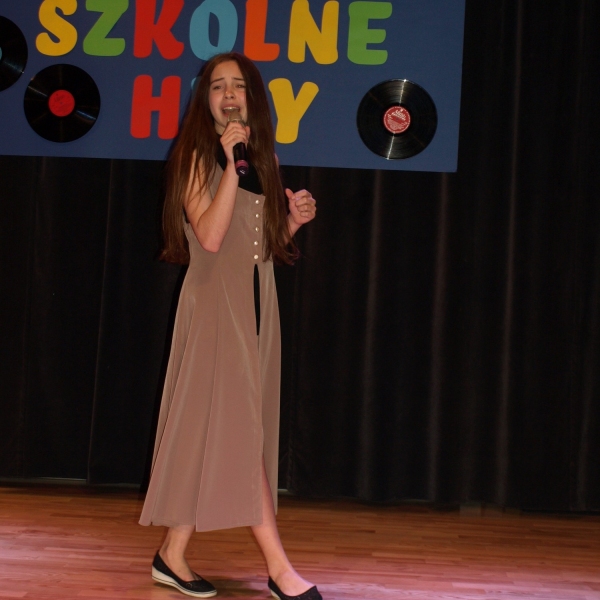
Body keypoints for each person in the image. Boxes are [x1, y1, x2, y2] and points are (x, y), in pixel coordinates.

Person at [139, 52, 319, 600]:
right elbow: (212, 238)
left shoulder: (262, 158)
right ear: (206, 100)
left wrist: (292, 222)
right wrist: (227, 164)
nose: (229, 95)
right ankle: (280, 570)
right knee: (242, 437)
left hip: (255, 306)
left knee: (213, 431)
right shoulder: (198, 156)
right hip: (215, 307)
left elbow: (259, 248)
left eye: (238, 86)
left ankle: (171, 554)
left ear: (252, 97)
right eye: (218, 87)